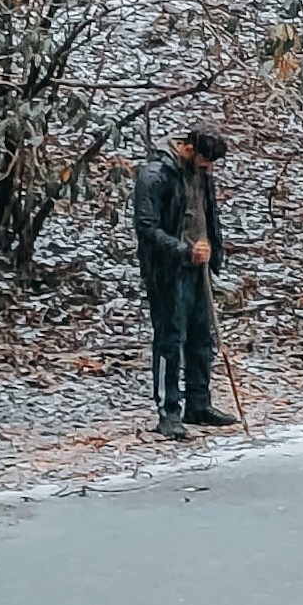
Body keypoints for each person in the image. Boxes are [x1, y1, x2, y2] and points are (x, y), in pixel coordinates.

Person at [133, 120, 228, 435]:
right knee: (170, 341)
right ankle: (168, 412)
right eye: (205, 160)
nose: (209, 167)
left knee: (202, 340)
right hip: (168, 271)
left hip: (199, 268)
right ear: (189, 148)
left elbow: (207, 213)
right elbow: (147, 227)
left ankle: (198, 405)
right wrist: (183, 250)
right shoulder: (154, 175)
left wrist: (214, 249)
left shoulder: (202, 173)